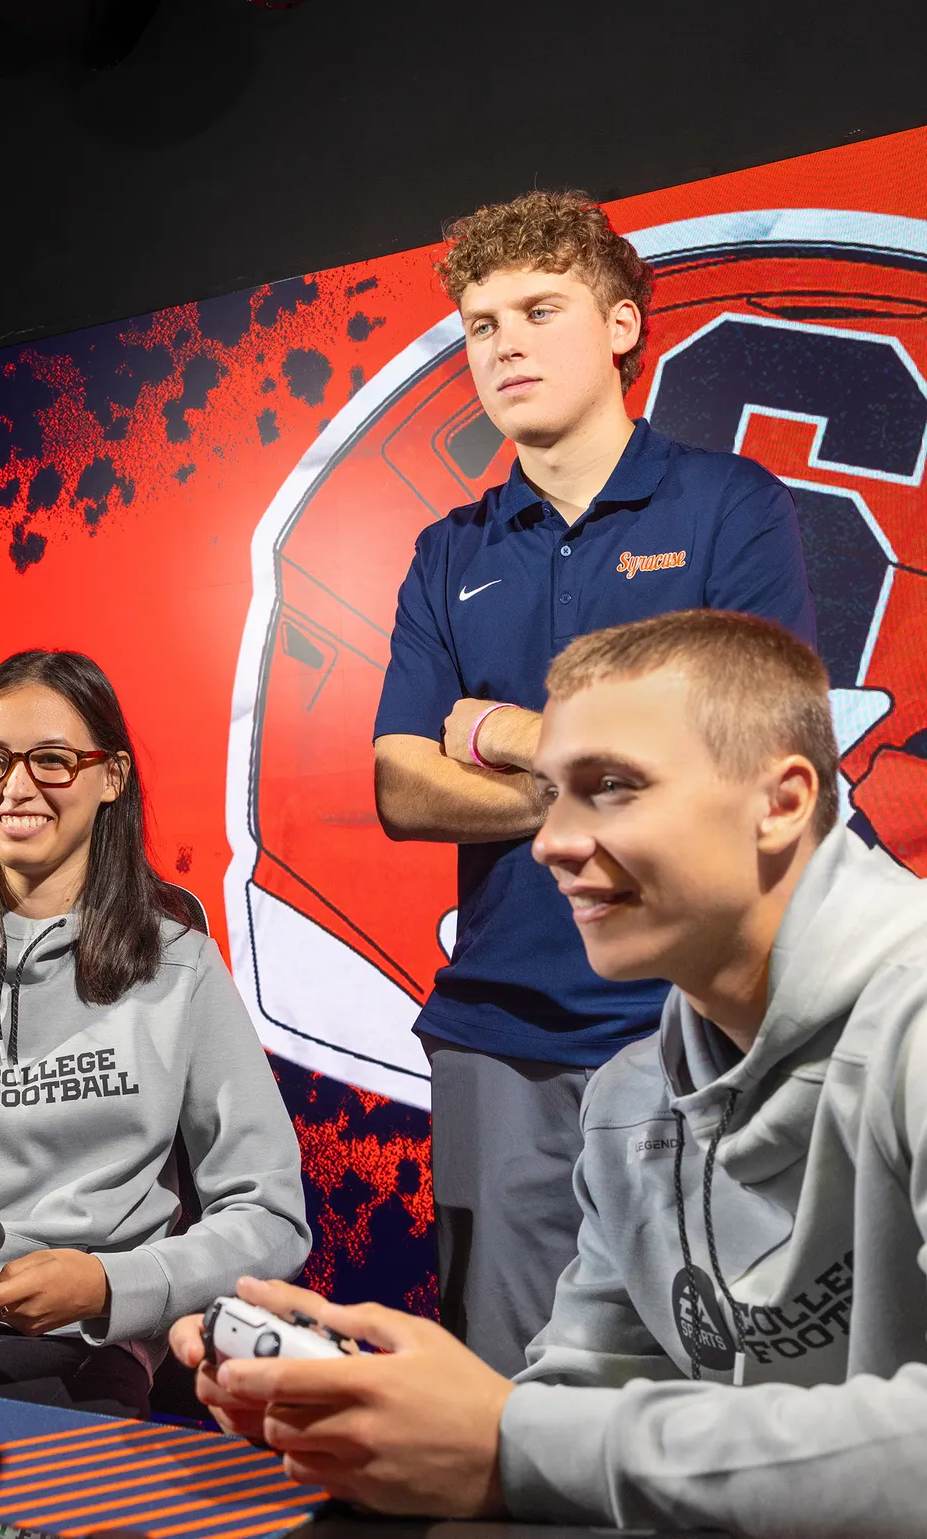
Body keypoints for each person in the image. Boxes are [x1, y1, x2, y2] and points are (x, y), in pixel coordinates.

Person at [174, 611, 927, 1538]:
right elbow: (577, 1398)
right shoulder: (631, 1098)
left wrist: (510, 1440)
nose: (551, 841)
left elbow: (547, 1442)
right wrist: (391, 1423)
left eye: (611, 787)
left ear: (780, 801)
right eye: (548, 793)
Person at [373, 189, 817, 1374]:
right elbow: (400, 789)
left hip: (697, 1024)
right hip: (496, 1033)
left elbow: (740, 754)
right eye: (478, 324)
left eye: (537, 309)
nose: (502, 344)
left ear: (619, 325)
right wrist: (615, 779)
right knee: (513, 1403)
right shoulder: (448, 551)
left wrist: (503, 734)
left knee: (723, 1377)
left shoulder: (729, 507)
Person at [0, 649, 310, 1417]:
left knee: (45, 1476)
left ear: (110, 776)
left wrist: (113, 1284)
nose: (16, 787)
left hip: (82, 1332)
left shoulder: (179, 967)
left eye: (51, 760)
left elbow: (270, 1214)